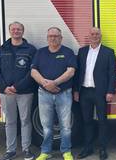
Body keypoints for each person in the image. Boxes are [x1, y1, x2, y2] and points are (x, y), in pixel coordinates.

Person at [0, 21, 37, 160]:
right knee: (10, 122)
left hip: (25, 92)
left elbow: (33, 71)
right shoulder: (2, 49)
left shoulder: (30, 49)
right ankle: (10, 150)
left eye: (19, 29)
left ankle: (26, 149)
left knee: (25, 121)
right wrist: (4, 87)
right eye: (13, 29)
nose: (16, 31)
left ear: (23, 31)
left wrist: (18, 87)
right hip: (6, 93)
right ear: (9, 31)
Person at [31, 27, 76, 160]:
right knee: (46, 126)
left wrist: (54, 83)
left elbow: (71, 71)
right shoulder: (40, 53)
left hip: (64, 94)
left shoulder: (68, 52)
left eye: (56, 36)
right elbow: (33, 72)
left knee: (66, 126)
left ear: (61, 38)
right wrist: (47, 85)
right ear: (47, 38)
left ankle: (66, 151)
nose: (53, 38)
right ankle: (45, 152)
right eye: (50, 36)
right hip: (44, 94)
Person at [73, 28, 116, 160]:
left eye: (97, 34)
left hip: (100, 92)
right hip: (85, 91)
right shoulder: (82, 51)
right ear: (89, 36)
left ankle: (103, 149)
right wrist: (76, 90)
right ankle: (88, 148)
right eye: (92, 34)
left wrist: (110, 91)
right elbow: (77, 73)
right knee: (87, 121)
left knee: (102, 121)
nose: (94, 36)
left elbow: (112, 74)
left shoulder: (108, 52)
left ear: (100, 36)